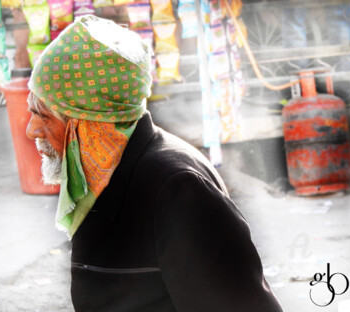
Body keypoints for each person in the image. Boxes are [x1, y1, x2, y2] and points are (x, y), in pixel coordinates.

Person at [26, 15, 282, 312]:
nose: (30, 130)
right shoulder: (100, 179)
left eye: (43, 114)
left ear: (90, 122)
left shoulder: (177, 190)